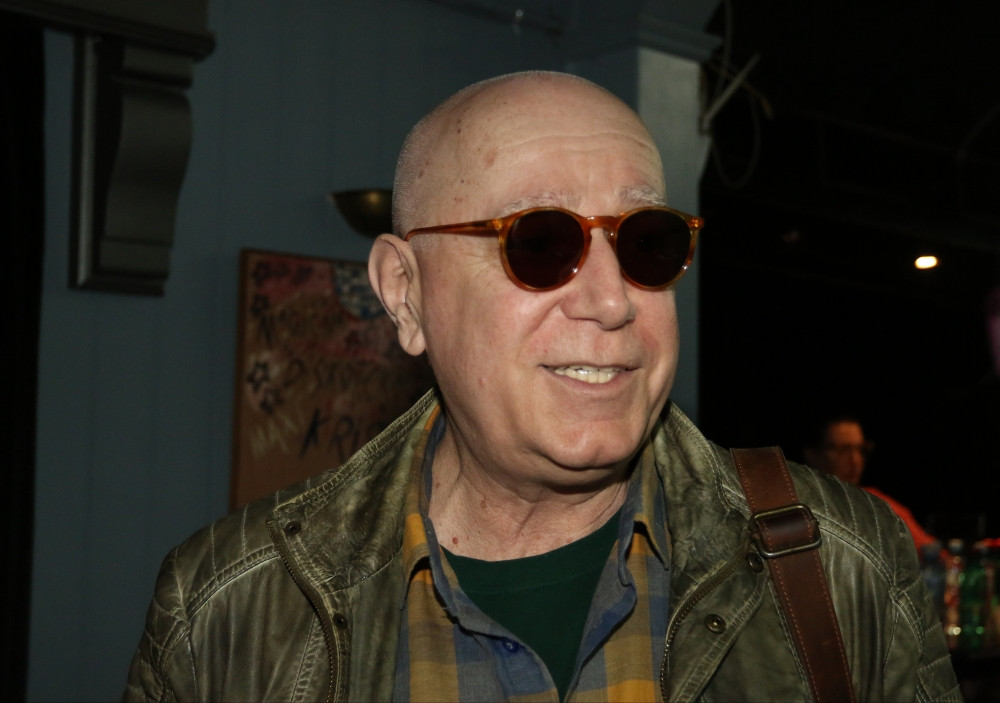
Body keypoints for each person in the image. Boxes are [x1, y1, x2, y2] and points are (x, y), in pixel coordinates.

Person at [123, 71, 959, 701]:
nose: (611, 301)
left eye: (647, 242)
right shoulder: (226, 612)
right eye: (540, 242)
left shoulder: (840, 564)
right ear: (405, 294)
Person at [802, 413, 939, 554]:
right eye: (843, 450)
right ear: (812, 454)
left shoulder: (877, 504)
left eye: (861, 449)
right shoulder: (800, 506)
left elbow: (933, 552)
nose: (855, 461)